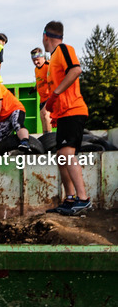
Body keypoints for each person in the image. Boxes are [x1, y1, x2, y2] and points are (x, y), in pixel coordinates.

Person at [42, 21, 91, 215]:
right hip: (64, 114)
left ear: (45, 36)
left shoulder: (63, 49)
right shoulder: (53, 59)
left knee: (66, 156)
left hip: (74, 110)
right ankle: (70, 199)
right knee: (61, 158)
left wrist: (54, 95)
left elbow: (76, 70)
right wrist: (55, 113)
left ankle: (83, 199)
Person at [31, 47, 52, 135]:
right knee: (42, 117)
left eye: (37, 60)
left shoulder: (48, 66)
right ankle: (46, 138)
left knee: (46, 115)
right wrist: (35, 87)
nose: (36, 62)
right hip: (42, 98)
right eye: (33, 60)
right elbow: (39, 80)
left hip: (50, 96)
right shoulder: (36, 69)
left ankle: (49, 137)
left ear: (42, 57)